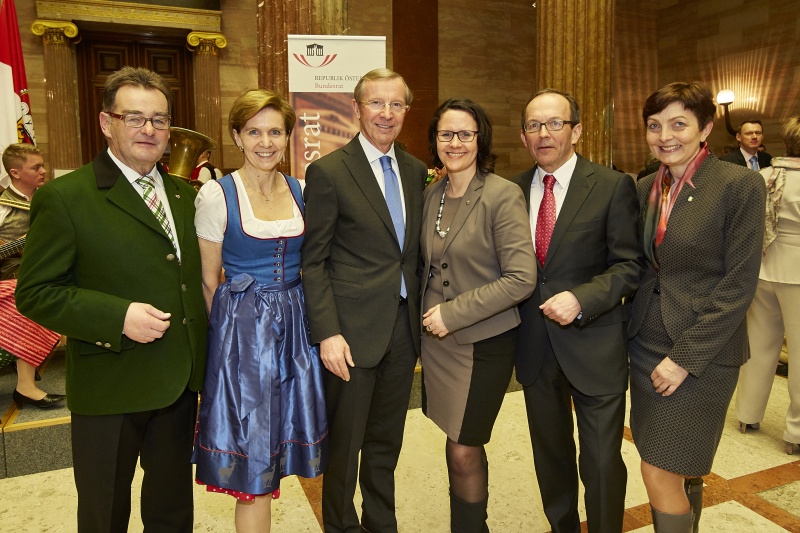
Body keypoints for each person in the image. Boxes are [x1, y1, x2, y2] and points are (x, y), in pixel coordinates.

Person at [15, 67, 207, 532]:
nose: (149, 130)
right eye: (135, 117)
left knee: (173, 513)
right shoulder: (65, 197)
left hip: (178, 384)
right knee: (105, 514)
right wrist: (117, 315)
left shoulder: (185, 195)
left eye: (159, 120)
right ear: (106, 123)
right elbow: (36, 293)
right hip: (110, 386)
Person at [628, 82, 764, 531]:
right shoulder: (648, 185)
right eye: (654, 125)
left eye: (678, 124)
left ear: (705, 128)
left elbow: (739, 284)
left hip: (700, 353)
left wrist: (683, 359)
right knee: (671, 462)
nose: (665, 135)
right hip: (646, 343)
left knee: (658, 470)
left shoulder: (739, 185)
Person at [192, 89, 328, 532]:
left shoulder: (302, 189)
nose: (265, 142)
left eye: (274, 131)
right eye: (254, 131)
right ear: (237, 136)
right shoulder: (217, 195)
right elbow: (209, 282)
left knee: (283, 439)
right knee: (252, 457)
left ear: (289, 137)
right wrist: (233, 350)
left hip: (296, 327)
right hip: (244, 334)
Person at [510, 88, 643, 533]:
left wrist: (583, 299)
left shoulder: (610, 185)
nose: (543, 133)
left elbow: (629, 265)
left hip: (595, 345)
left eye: (554, 123)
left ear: (577, 130)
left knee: (602, 462)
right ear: (524, 135)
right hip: (534, 349)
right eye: (534, 125)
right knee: (551, 461)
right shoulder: (510, 191)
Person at [301, 68, 427, 533]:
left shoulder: (415, 171)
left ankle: (381, 523)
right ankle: (340, 526)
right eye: (376, 103)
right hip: (350, 334)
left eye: (396, 104)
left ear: (406, 111)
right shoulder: (329, 172)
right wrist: (327, 333)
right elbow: (313, 263)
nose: (386, 113)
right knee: (345, 445)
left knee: (385, 442)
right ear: (356, 108)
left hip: (402, 329)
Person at [420, 98, 535, 532]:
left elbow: (521, 278)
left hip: (484, 343)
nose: (455, 143)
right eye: (446, 134)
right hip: (437, 347)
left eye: (464, 134)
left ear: (480, 138)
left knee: (463, 447)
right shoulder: (431, 194)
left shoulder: (503, 195)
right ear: (435, 140)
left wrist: (453, 314)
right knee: (454, 440)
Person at [735, 115, 800, 454]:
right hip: (797, 273)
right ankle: (796, 432)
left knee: (759, 345)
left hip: (761, 269)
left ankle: (747, 414)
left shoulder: (763, 176)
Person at [0, 143, 63, 408]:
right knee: (25, 300)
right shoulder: (2, 207)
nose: (43, 171)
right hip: (7, 282)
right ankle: (25, 387)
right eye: (35, 167)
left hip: (43, 276)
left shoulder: (48, 200)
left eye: (43, 165)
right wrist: (20, 245)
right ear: (15, 173)